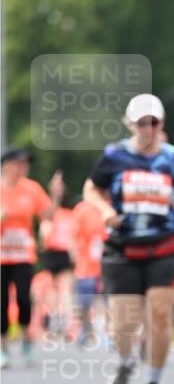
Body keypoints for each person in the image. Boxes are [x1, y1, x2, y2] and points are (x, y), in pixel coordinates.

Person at [84, 94, 174, 384]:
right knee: (123, 322)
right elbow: (91, 188)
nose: (148, 128)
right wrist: (103, 209)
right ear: (130, 124)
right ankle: (125, 360)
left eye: (154, 122)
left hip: (164, 246)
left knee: (160, 314)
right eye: (141, 123)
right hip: (122, 248)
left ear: (161, 124)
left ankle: (153, 383)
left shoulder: (172, 157)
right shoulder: (114, 155)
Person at [0, 147, 64, 367]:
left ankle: (27, 339)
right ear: (7, 165)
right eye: (19, 163)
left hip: (23, 255)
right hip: (1, 255)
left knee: (23, 300)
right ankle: (3, 348)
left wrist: (55, 196)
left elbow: (49, 215)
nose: (24, 167)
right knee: (1, 303)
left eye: (25, 163)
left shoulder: (32, 189)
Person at [39, 189, 76, 341]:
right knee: (66, 290)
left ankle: (53, 325)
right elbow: (73, 236)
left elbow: (44, 234)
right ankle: (67, 326)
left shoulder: (50, 214)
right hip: (65, 252)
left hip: (52, 251)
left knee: (53, 289)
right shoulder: (70, 215)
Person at [70, 197, 107, 346]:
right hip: (86, 266)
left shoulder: (110, 206)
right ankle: (86, 330)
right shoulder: (82, 209)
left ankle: (107, 333)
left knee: (108, 301)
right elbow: (73, 235)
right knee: (84, 303)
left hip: (107, 265)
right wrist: (74, 254)